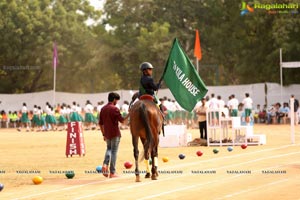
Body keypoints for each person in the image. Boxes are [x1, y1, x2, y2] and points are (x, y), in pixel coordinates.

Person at [99, 92, 128, 178]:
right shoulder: (115, 109)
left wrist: (103, 134)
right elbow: (122, 121)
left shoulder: (103, 109)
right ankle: (112, 172)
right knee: (114, 152)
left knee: (109, 149)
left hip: (107, 133)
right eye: (117, 100)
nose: (117, 102)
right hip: (115, 133)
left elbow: (100, 124)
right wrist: (129, 115)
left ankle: (105, 164)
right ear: (114, 100)